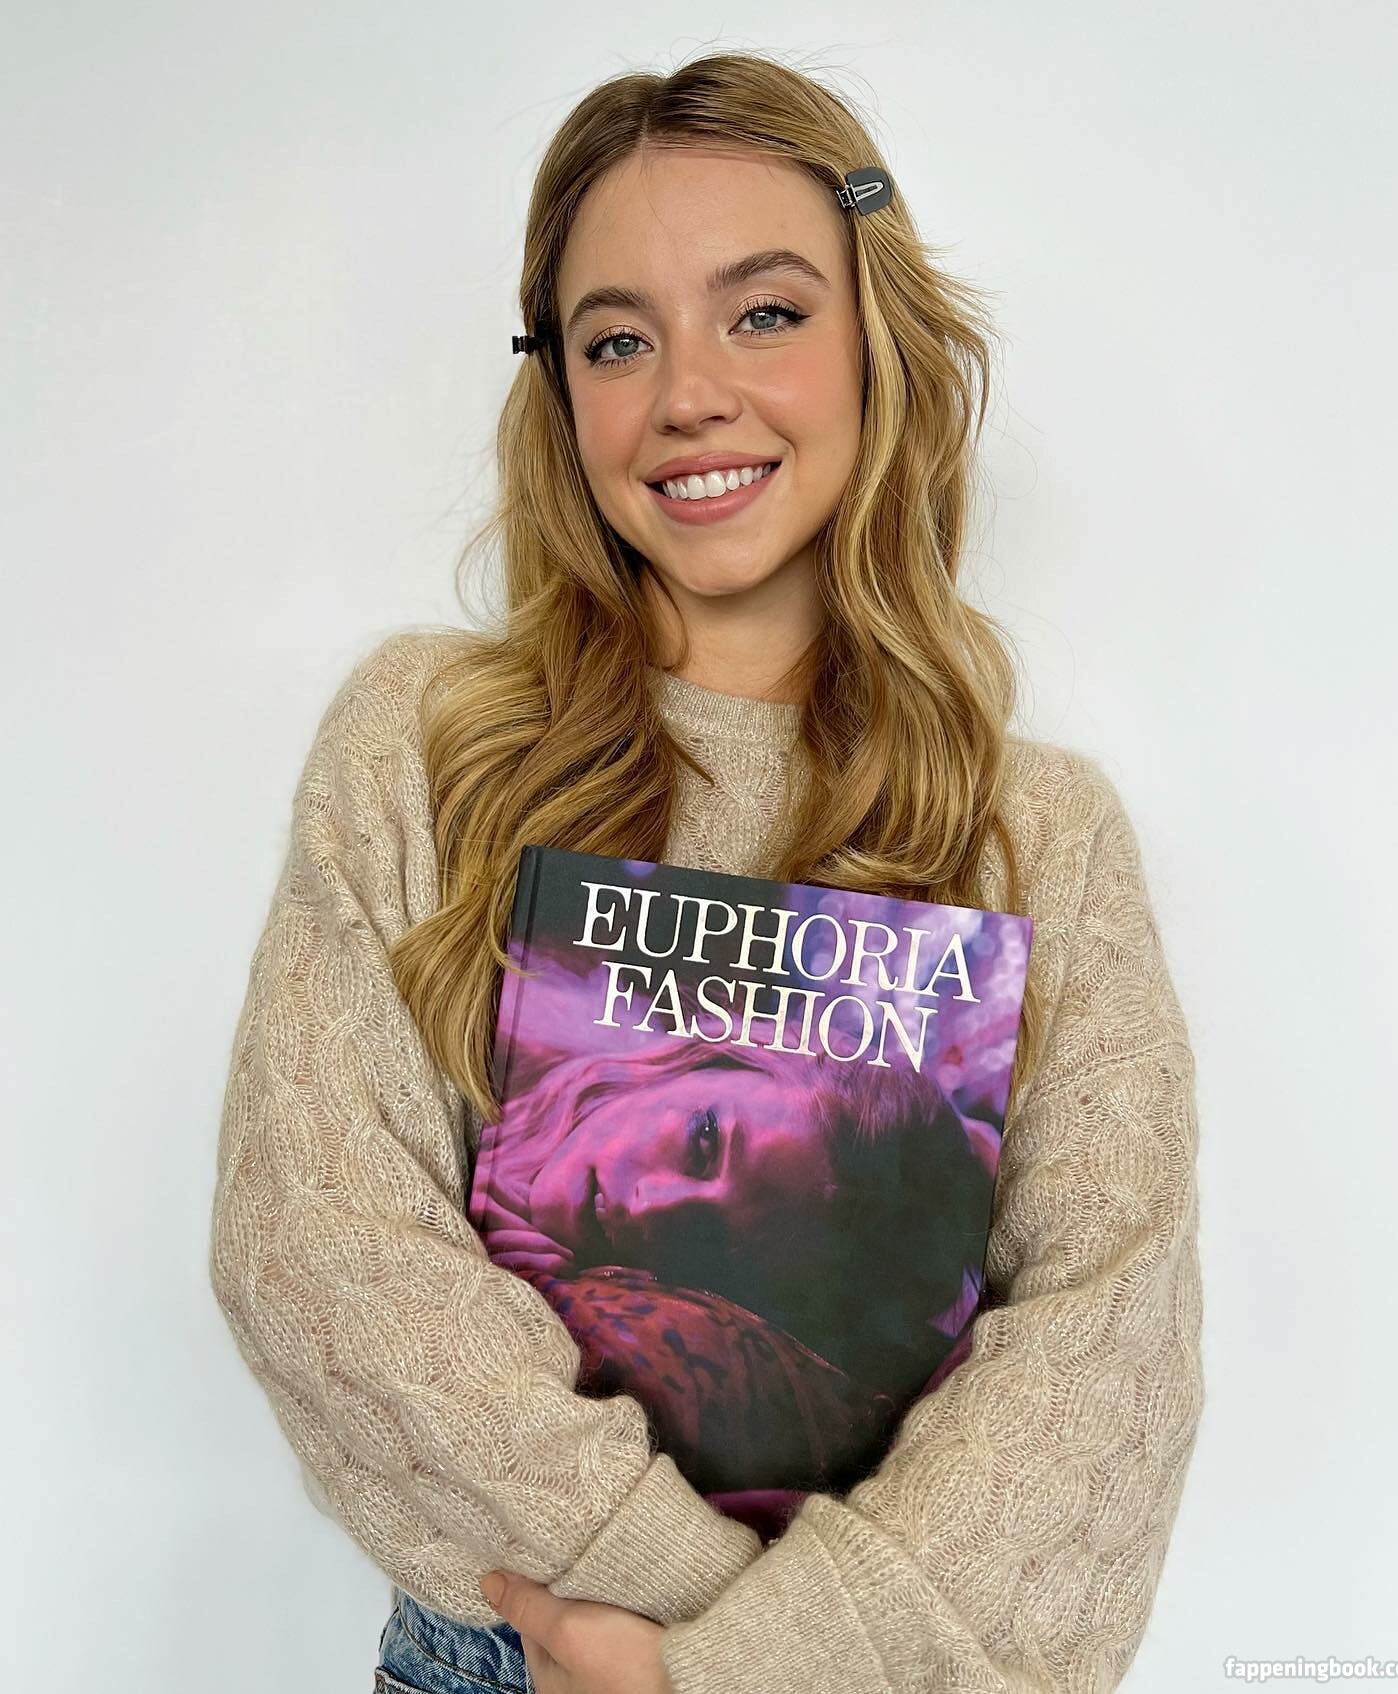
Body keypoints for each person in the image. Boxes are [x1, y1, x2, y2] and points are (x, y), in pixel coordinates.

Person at [208, 48, 1205, 1694]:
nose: (689, 395)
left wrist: (741, 1670)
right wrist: (685, 1617)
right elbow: (319, 1250)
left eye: (765, 313)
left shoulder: (1042, 835)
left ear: (877, 340)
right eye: (618, 340)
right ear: (562, 396)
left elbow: (1104, 1355)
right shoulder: (424, 744)